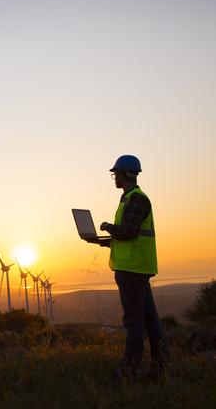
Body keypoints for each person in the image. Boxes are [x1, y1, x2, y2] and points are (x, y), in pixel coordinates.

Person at [86, 155, 169, 384]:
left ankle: (127, 372)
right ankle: (161, 370)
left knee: (134, 323)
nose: (114, 178)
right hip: (135, 268)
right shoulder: (128, 199)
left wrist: (107, 227)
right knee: (150, 321)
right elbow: (125, 237)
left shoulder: (137, 199)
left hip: (132, 270)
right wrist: (100, 241)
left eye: (116, 174)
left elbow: (128, 232)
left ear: (125, 174)